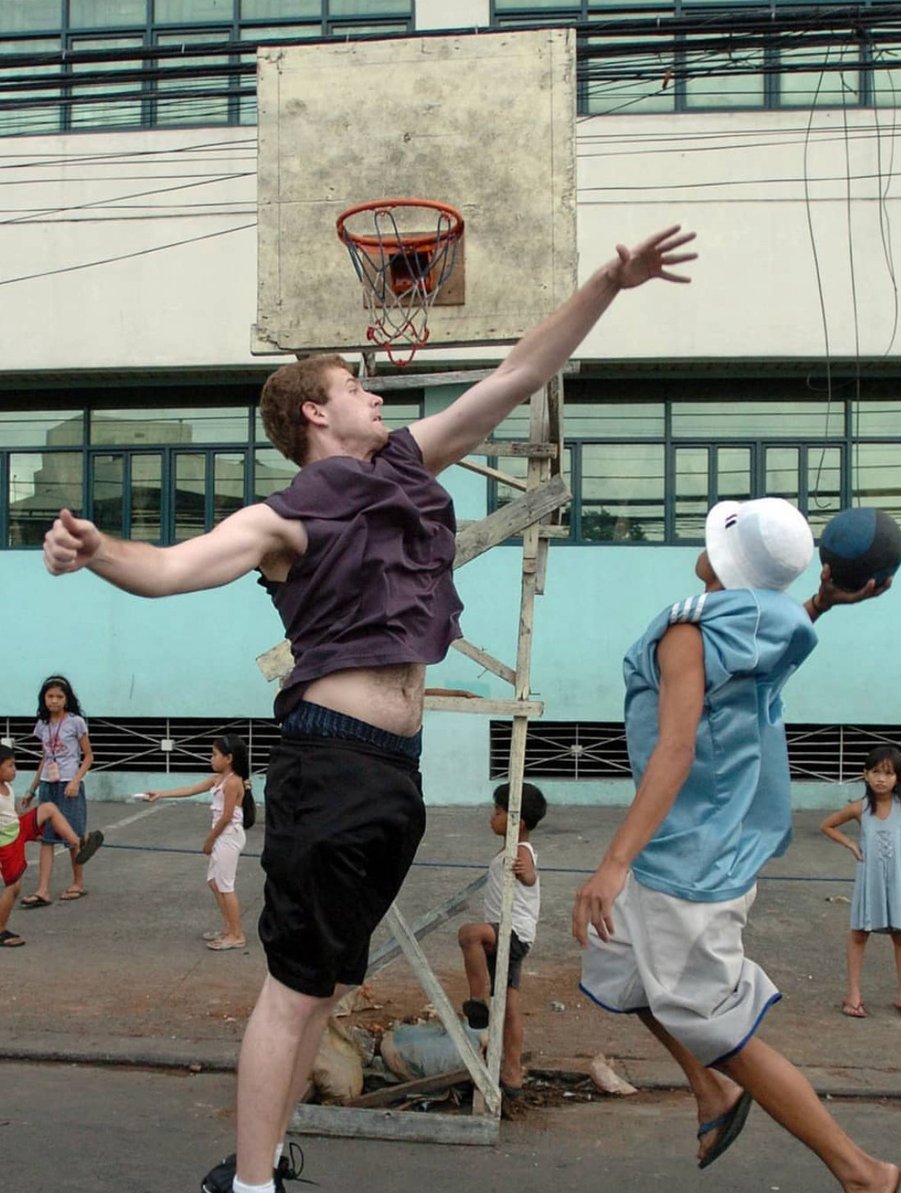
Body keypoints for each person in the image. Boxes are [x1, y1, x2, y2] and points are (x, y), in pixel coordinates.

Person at [40, 225, 698, 1193]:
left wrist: (609, 282)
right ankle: (250, 1182)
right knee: (294, 983)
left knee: (326, 985)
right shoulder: (282, 517)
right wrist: (96, 550)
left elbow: (517, 376)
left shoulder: (406, 466)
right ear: (317, 408)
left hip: (394, 773)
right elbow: (172, 568)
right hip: (330, 761)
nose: (375, 391)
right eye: (357, 383)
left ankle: (263, 1161)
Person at [573, 497, 901, 1193]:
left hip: (686, 861)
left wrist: (612, 862)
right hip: (702, 841)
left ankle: (864, 1173)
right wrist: (827, 596)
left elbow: (673, 751)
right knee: (616, 959)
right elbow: (778, 630)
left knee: (723, 1028)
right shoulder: (780, 620)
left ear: (725, 562)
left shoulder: (688, 632)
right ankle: (711, 1089)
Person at [820, 745, 901, 1023]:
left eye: (888, 773)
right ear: (865, 774)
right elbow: (827, 825)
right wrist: (851, 844)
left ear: (898, 778)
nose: (881, 779)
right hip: (869, 877)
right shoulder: (859, 809)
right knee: (860, 933)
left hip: (899, 878)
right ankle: (852, 994)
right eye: (875, 772)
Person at [458, 780, 547, 1095]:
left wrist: (527, 873)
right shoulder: (508, 849)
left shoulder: (521, 849)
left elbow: (531, 874)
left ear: (516, 821)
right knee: (510, 1005)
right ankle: (511, 1076)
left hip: (513, 932)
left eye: (497, 811)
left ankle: (479, 999)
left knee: (469, 935)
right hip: (508, 932)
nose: (491, 816)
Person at [146, 735, 251, 951]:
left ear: (229, 758)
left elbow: (227, 817)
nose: (211, 758)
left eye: (215, 754)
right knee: (214, 883)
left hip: (228, 836)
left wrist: (209, 840)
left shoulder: (232, 782)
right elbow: (190, 789)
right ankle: (228, 927)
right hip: (221, 835)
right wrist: (161, 794)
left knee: (225, 885)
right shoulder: (218, 779)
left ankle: (236, 934)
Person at [0, 745, 103, 946]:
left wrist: (31, 833)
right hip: (6, 841)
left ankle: (77, 843)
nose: (15, 769)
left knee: (48, 808)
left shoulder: (7, 787)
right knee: (13, 888)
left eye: (15, 765)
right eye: (10, 765)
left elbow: (10, 815)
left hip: (16, 829)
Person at [20, 674, 95, 907]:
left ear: (67, 699)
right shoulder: (42, 725)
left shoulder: (75, 722)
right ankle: (43, 890)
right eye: (50, 696)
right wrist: (32, 789)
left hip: (68, 785)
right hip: (48, 785)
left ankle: (78, 883)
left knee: (72, 834)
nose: (54, 701)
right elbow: (44, 757)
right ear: (43, 699)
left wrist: (74, 781)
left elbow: (89, 756)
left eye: (59, 696)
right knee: (47, 838)